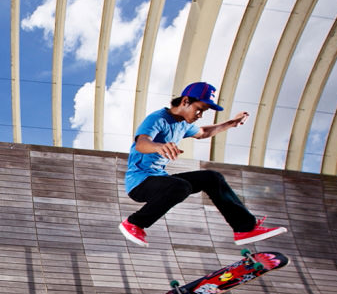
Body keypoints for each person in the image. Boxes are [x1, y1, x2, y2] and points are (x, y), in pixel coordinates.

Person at [119, 82, 287, 248]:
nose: (200, 115)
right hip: (140, 183)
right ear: (185, 101)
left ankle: (245, 228)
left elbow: (203, 133)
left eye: (203, 112)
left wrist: (232, 123)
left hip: (160, 180)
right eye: (198, 109)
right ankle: (134, 223)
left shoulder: (184, 124)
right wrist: (159, 146)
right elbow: (141, 143)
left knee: (212, 178)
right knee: (181, 187)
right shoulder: (158, 119)